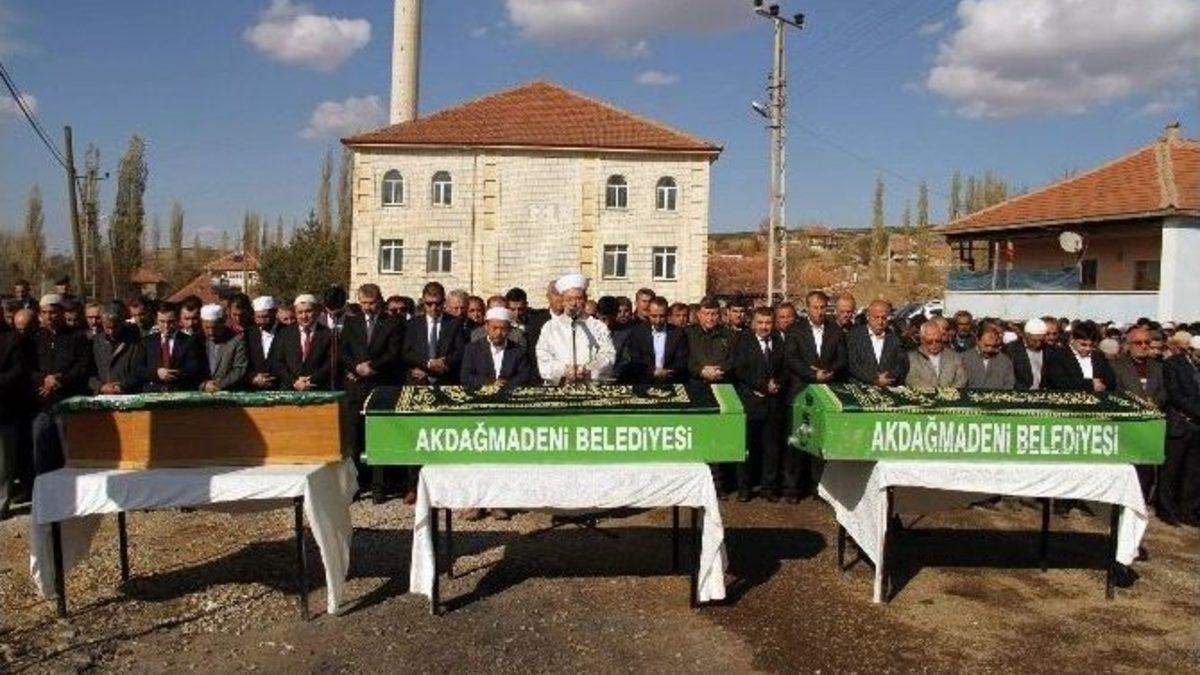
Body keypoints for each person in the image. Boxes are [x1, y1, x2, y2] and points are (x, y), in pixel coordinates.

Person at [339, 283, 403, 492]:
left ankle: (379, 486)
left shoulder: (392, 323)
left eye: (372, 303)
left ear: (380, 301)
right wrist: (356, 368)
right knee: (354, 438)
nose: (368, 307)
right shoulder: (351, 322)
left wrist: (372, 367)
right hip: (355, 387)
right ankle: (355, 485)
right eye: (364, 303)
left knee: (379, 437)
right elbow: (343, 352)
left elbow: (393, 353)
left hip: (380, 386)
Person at [31, 295, 92, 475]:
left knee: (69, 453)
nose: (49, 316)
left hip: (67, 403)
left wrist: (60, 378)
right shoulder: (35, 338)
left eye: (53, 312)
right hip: (42, 405)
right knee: (40, 451)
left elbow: (82, 367)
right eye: (45, 312)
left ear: (62, 313)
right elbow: (28, 367)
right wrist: (44, 379)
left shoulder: (76, 337)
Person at [730, 307, 787, 502]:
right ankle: (744, 488)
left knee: (771, 449)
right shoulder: (743, 341)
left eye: (768, 323)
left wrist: (777, 383)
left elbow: (785, 367)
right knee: (747, 448)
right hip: (751, 402)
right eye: (760, 322)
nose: (764, 327)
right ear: (753, 323)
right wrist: (763, 385)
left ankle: (768, 488)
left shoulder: (778, 341)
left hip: (773, 404)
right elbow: (739, 369)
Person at [535, 274, 616, 384]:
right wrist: (563, 370)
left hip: (590, 385)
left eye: (578, 299)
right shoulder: (550, 327)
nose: (573, 304)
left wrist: (589, 369)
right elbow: (543, 357)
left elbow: (608, 355)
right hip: (560, 385)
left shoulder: (598, 327)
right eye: (569, 299)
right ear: (562, 301)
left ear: (585, 300)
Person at [1161, 336, 1200, 525]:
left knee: (1193, 472)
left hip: (1197, 427)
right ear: (1189, 350)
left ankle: (1188, 510)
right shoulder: (1172, 364)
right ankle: (1167, 510)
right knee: (1171, 470)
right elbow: (1175, 394)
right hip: (1180, 423)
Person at [0, 314, 33, 516]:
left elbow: (19, 370)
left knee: (4, 462)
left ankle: (2, 502)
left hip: (5, 407)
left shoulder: (12, 339)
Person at [401, 282, 465, 385]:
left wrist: (444, 362)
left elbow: (460, 352)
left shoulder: (454, 323)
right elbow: (407, 353)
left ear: (444, 302)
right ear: (423, 302)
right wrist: (428, 364)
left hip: (446, 380)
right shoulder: (413, 324)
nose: (433, 308)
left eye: (437, 304)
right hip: (419, 380)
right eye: (429, 304)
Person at [133, 304, 206, 393]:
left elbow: (194, 368)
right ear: (156, 321)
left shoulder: (189, 341)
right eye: (162, 321)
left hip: (180, 392)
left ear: (178, 320)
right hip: (153, 393)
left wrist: (173, 374)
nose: (166, 326)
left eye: (171, 322)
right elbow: (138, 369)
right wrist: (157, 373)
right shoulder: (147, 342)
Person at [784, 291, 847, 391]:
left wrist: (827, 371)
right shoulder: (795, 330)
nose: (819, 312)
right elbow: (791, 358)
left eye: (822, 307)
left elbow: (841, 358)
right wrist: (812, 373)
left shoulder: (836, 330)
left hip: (828, 386)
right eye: (815, 308)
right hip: (802, 387)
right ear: (807, 308)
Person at [270, 294, 334, 391]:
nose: (304, 316)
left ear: (317, 311)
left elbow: (331, 362)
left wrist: (311, 380)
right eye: (300, 312)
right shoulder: (284, 333)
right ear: (295, 314)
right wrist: (294, 381)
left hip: (317, 388)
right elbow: (277, 362)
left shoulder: (328, 334)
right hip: (289, 388)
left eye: (308, 311)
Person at [619, 296, 688, 384]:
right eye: (654, 316)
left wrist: (668, 372)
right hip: (644, 382)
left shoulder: (677, 333)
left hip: (671, 381)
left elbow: (681, 359)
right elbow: (635, 358)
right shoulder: (638, 333)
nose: (658, 320)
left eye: (662, 316)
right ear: (648, 313)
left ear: (667, 314)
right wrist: (652, 372)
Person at [460, 307, 533, 388]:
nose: (498, 333)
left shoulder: (518, 351)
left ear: (509, 329)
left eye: (503, 329)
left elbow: (524, 376)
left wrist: (506, 384)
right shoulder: (473, 349)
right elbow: (466, 377)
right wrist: (490, 383)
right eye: (494, 328)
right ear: (486, 327)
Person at [847, 299, 907, 386]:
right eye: (876, 317)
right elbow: (852, 364)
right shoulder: (854, 337)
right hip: (860, 386)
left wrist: (888, 377)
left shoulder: (896, 340)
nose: (880, 322)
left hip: (887, 386)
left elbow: (901, 364)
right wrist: (874, 379)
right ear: (868, 317)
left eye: (884, 318)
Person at [1043, 321, 1115, 392]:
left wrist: (1102, 385)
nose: (1088, 349)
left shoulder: (1098, 356)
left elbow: (1111, 381)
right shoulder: (1058, 355)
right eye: (1083, 345)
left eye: (1091, 345)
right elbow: (1059, 382)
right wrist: (1091, 383)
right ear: (1072, 339)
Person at [89, 302, 144, 395]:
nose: (111, 332)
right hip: (103, 395)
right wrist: (100, 387)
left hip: (128, 394)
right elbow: (89, 371)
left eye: (115, 327)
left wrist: (122, 385)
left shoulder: (135, 342)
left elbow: (139, 370)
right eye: (108, 327)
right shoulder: (96, 342)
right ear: (102, 323)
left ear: (122, 323)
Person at [198, 304, 248, 393]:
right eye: (207, 328)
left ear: (222, 323)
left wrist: (218, 385)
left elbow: (239, 368)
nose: (211, 332)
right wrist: (204, 384)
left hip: (229, 392)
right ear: (201, 324)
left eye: (215, 328)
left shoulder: (236, 340)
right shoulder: (198, 340)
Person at [905, 321, 968, 388]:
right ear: (922, 340)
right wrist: (934, 392)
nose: (934, 344)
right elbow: (911, 379)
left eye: (938, 341)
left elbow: (962, 379)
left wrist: (949, 392)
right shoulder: (911, 358)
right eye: (929, 342)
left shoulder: (955, 356)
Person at [962, 323, 1016, 390]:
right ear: (977, 340)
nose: (989, 349)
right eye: (986, 345)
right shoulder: (963, 359)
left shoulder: (1005, 362)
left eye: (993, 346)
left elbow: (1009, 385)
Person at [245, 296, 280, 390]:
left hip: (281, 387)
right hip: (254, 388)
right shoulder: (249, 333)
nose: (261, 321)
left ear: (274, 313)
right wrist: (253, 377)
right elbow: (244, 361)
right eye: (258, 317)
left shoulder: (286, 332)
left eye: (265, 317)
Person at [1006, 318, 1048, 390]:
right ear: (1026, 335)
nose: (1038, 344)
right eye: (1034, 341)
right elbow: (1008, 376)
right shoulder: (1011, 350)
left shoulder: (1048, 350)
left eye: (1041, 340)